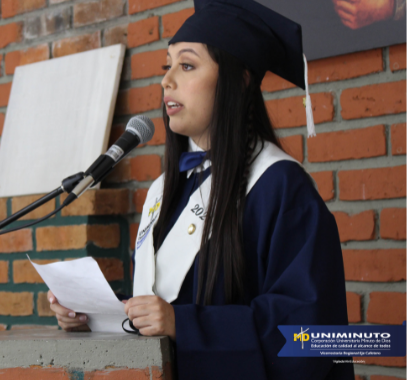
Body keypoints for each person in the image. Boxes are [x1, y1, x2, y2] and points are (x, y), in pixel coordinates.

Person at [48, 0, 355, 378]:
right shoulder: (167, 190)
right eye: (168, 65)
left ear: (239, 80)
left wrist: (186, 325)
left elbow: (315, 334)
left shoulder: (280, 188)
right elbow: (166, 307)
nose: (167, 80)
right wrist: (93, 316)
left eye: (187, 65)